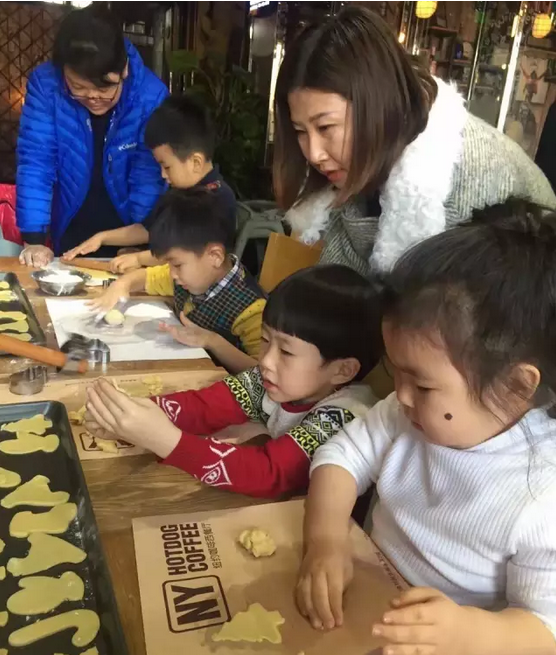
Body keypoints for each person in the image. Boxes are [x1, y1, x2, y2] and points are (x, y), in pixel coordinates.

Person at [296, 200, 556, 655]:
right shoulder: (407, 414)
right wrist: (325, 538)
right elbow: (340, 457)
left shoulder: (542, 497)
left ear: (515, 387)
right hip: (366, 604)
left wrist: (466, 632)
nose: (400, 394)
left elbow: (545, 628)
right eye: (395, 371)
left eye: (422, 383)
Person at [274, 6, 556, 279]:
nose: (314, 153)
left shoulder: (473, 178)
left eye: (325, 127)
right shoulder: (366, 159)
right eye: (300, 131)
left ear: (377, 105)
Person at [85, 264, 383, 498]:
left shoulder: (347, 418)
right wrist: (129, 415)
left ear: (342, 370)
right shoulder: (273, 380)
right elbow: (204, 407)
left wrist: (166, 440)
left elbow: (269, 473)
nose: (265, 360)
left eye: (287, 352)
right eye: (265, 340)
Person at [16, 5, 167, 267]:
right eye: (78, 87)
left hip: (127, 233)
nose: (93, 97)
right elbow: (36, 161)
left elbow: (148, 175)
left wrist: (141, 241)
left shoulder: (150, 96)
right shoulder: (46, 85)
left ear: (124, 69)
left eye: (104, 88)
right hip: (71, 223)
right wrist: (34, 238)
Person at [90, 188, 263, 373]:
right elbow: (146, 277)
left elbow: (263, 376)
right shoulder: (189, 277)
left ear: (215, 256)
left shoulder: (252, 310)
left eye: (177, 265)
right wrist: (122, 284)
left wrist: (212, 341)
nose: (172, 273)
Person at [64, 95, 236, 274]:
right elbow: (147, 230)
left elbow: (186, 254)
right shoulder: (179, 192)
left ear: (196, 162)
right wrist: (102, 238)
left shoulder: (217, 199)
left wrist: (139, 258)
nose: (163, 175)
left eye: (166, 166)